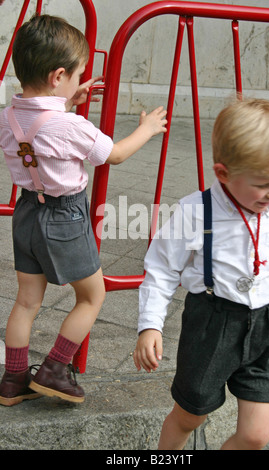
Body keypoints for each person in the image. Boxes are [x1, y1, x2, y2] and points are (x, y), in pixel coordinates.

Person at [0, 14, 167, 406]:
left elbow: (38, 132)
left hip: (26, 212)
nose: (80, 82)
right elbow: (117, 154)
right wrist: (148, 128)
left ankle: (13, 379)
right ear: (59, 76)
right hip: (65, 215)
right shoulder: (71, 128)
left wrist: (65, 103)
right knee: (92, 297)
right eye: (77, 76)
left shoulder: (8, 115)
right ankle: (56, 369)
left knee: (26, 301)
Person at [133, 98, 269, 450]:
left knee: (257, 435)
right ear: (224, 173)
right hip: (212, 325)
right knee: (190, 416)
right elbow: (162, 269)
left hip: (266, 327)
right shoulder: (196, 211)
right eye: (263, 184)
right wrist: (150, 324)